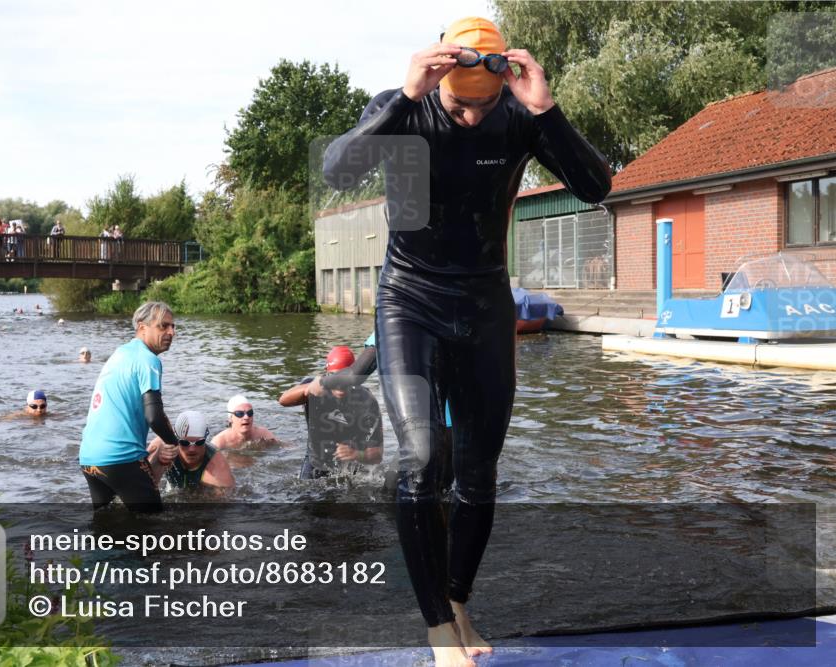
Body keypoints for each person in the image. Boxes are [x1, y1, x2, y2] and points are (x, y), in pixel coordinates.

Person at [322, 17, 611, 666]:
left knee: (478, 473)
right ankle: (435, 630)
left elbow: (597, 187)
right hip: (409, 301)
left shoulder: (517, 116)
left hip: (484, 304)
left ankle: (456, 599)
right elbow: (339, 172)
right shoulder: (404, 108)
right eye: (460, 104)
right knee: (422, 458)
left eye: (485, 104)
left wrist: (547, 109)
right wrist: (403, 97)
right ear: (438, 80)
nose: (474, 118)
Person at [78, 301, 180, 512]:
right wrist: (174, 443)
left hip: (89, 457)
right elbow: (154, 416)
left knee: (106, 526)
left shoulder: (121, 353)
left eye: (173, 326)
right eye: (164, 326)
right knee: (154, 524)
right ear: (142, 327)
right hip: (120, 457)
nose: (171, 332)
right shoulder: (148, 359)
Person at [279, 346, 383, 480]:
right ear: (327, 375)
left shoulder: (366, 400)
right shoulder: (316, 387)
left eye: (345, 377)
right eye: (335, 376)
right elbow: (283, 400)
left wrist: (357, 454)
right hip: (315, 461)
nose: (339, 383)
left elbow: (377, 455)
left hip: (349, 465)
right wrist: (310, 389)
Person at [147, 410, 235, 491]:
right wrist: (159, 464)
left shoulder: (217, 464)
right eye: (184, 443)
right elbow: (144, 487)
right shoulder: (161, 447)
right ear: (175, 438)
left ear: (205, 439)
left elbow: (224, 504)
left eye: (199, 442)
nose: (192, 449)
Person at [211, 395, 278, 449]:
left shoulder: (262, 434)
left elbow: (283, 447)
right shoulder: (220, 442)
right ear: (230, 419)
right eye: (240, 413)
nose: (246, 417)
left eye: (249, 413)